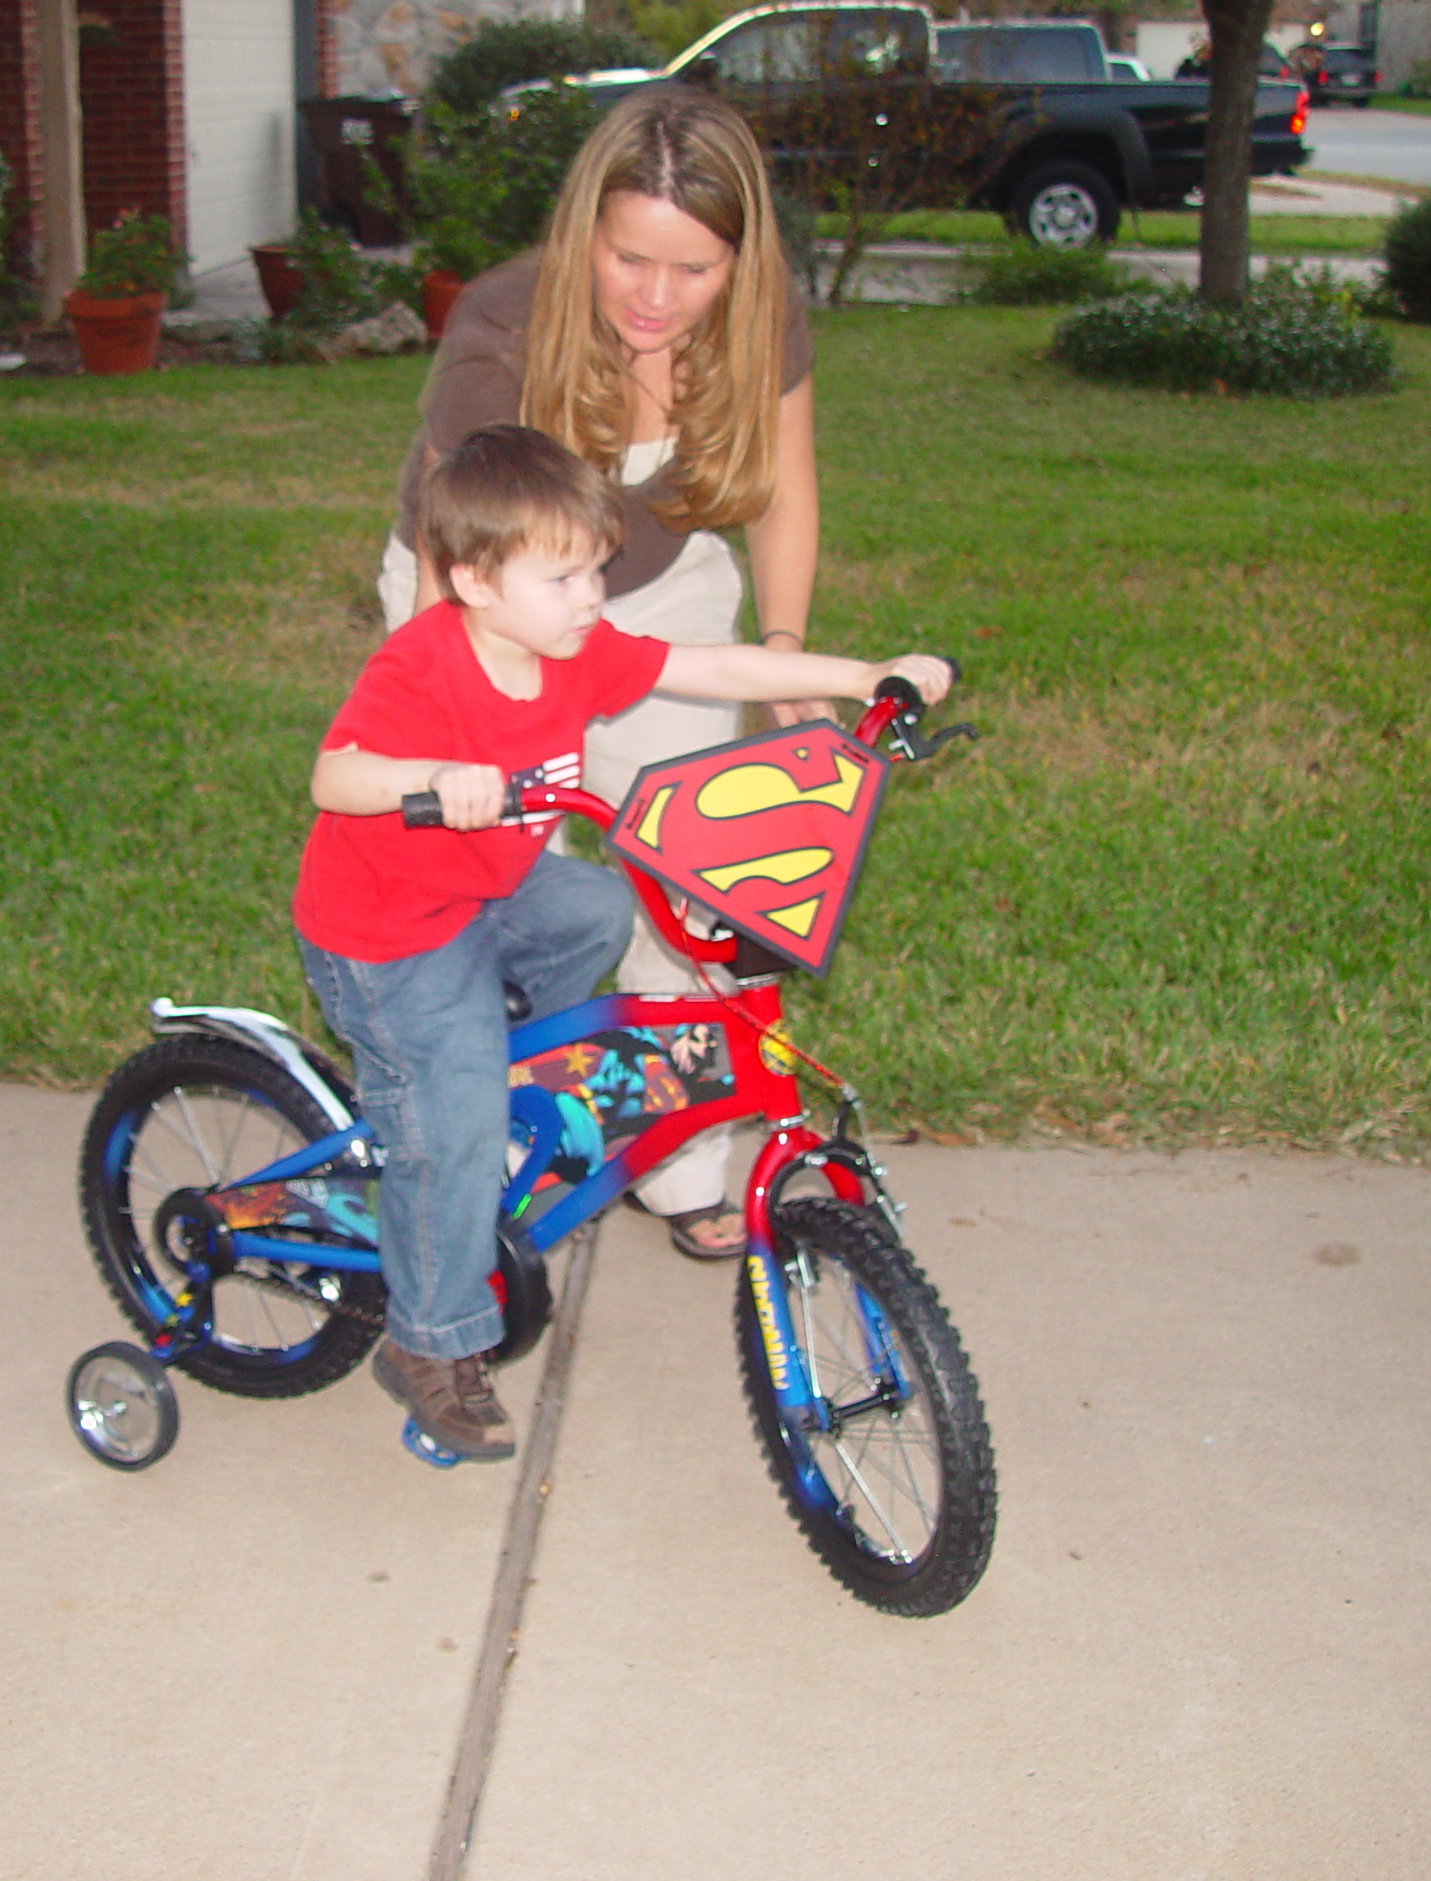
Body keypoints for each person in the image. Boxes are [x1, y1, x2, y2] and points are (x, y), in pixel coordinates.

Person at [298, 423, 954, 1462]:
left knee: (600, 911)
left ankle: (492, 1070)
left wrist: (866, 668)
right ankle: (427, 1343)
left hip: (491, 895)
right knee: (452, 1122)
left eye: (596, 570)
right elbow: (334, 776)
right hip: (385, 937)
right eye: (561, 578)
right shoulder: (423, 664)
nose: (591, 597)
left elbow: (706, 663)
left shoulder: (574, 653)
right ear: (472, 580)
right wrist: (426, 782)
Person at [376, 83, 817, 1263]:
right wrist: (446, 714)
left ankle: (677, 1160)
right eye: (631, 261)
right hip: (483, 600)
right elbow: (445, 542)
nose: (660, 300)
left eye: (697, 270)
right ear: (586, 233)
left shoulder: (760, 317)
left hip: (659, 594)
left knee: (683, 873)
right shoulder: (506, 327)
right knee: (490, 876)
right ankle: (469, 1113)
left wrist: (781, 650)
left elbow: (781, 494)